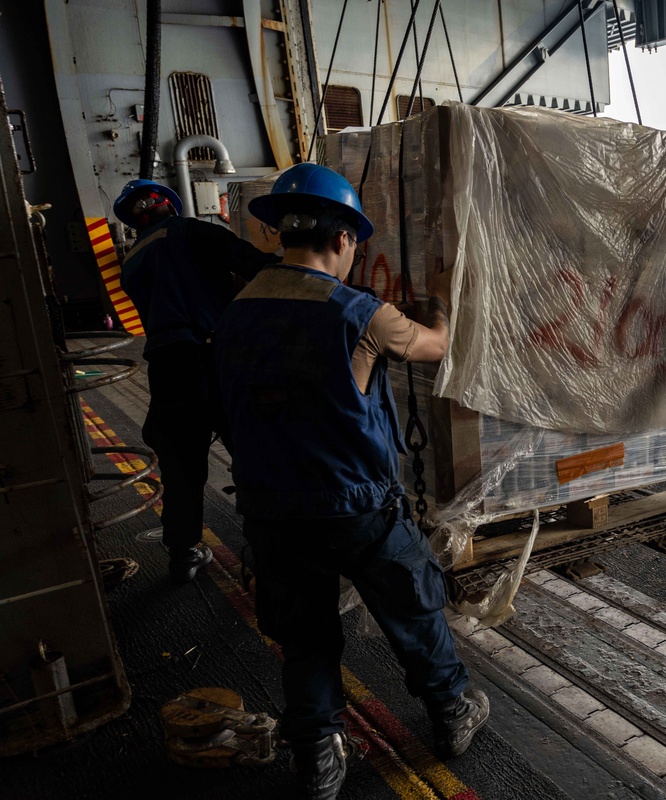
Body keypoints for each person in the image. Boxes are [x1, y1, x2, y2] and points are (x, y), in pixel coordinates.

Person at [214, 163, 489, 800]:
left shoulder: (233, 314)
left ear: (280, 234)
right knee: (413, 605)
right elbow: (437, 345)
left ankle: (317, 753)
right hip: (355, 504)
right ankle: (451, 714)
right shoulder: (360, 312)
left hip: (271, 505)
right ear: (343, 240)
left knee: (304, 631)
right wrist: (441, 303)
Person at [114, 179, 278, 584]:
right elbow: (260, 269)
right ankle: (268, 550)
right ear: (171, 204)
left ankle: (184, 553)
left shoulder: (130, 262)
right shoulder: (194, 230)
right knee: (253, 452)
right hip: (217, 358)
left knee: (181, 466)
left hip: (168, 369)